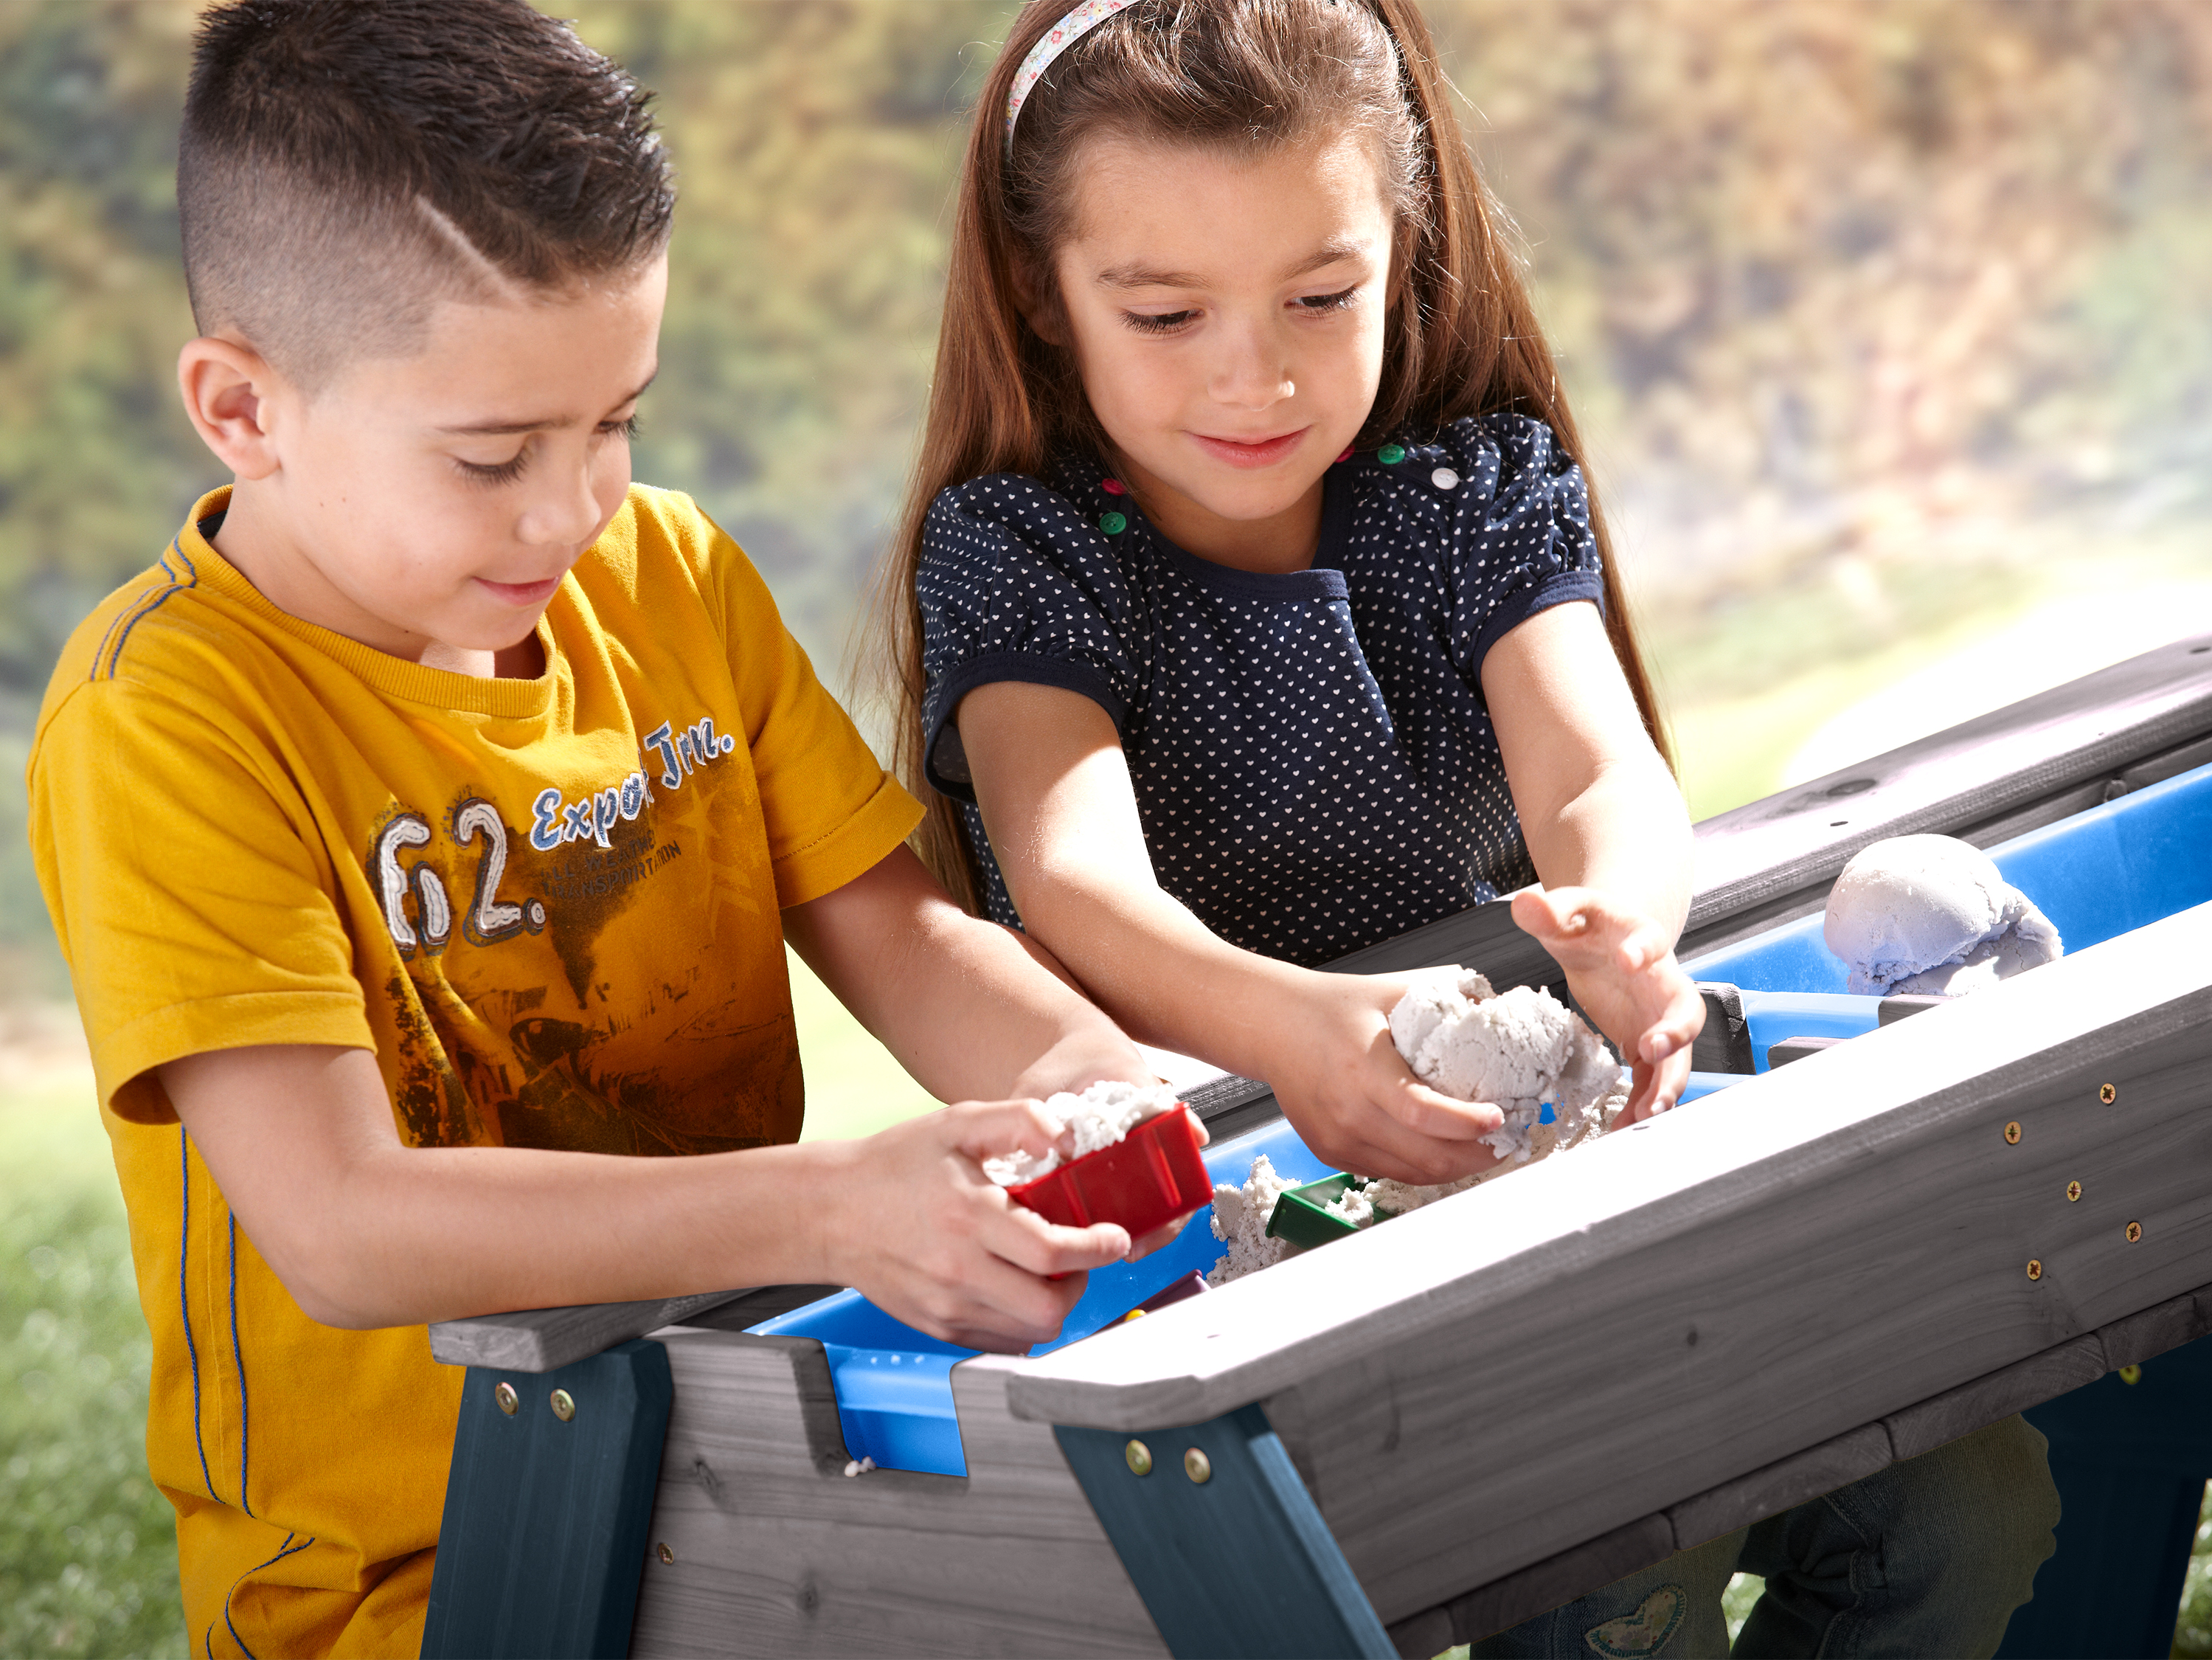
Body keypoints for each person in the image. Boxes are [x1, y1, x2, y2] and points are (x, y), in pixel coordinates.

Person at [876, 0, 2059, 1653]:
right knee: (1610, 1577)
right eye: (1166, 311)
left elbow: (1596, 775)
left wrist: (1626, 925)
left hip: (1556, 1163)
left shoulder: (1473, 492)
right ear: (1041, 297)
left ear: (1404, 249)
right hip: (1249, 1244)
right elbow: (1073, 881)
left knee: (1965, 1505)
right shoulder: (1023, 551)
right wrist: (1304, 1037)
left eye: (1320, 293)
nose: (1257, 371)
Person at [22, 2, 1184, 1653]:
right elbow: (345, 1227)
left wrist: (1084, 1078)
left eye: (614, 419)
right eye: (492, 455)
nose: (572, 508)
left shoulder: (672, 573)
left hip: (757, 1461)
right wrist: (833, 1205)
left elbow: (902, 934)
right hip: (429, 1580)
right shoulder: (164, 716)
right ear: (243, 410)